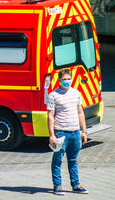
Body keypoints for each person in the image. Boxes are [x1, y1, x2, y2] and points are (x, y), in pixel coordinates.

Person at [47, 68, 88, 196]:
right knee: (58, 160)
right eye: (64, 79)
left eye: (68, 79)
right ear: (59, 80)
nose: (67, 81)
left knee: (73, 160)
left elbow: (80, 112)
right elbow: (50, 116)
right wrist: (52, 135)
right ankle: (57, 186)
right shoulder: (53, 95)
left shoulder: (76, 93)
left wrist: (84, 131)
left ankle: (76, 184)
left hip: (75, 132)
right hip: (61, 133)